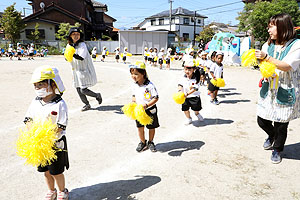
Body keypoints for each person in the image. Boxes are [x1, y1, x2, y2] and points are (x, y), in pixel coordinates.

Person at [254, 13, 300, 164]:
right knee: (261, 120)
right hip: (269, 88)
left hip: (285, 88)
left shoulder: (296, 45)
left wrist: (266, 58)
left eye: (271, 26)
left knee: (281, 124)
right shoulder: (268, 45)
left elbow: (287, 66)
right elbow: (262, 63)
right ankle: (272, 135)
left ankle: (277, 149)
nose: (268, 30)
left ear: (282, 26)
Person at [24, 66, 69, 200]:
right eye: (36, 85)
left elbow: (60, 125)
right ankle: (51, 190)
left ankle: (62, 190)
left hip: (55, 144)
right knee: (46, 171)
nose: (38, 88)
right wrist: (33, 133)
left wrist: (46, 136)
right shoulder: (35, 102)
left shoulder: (60, 104)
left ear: (53, 84)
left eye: (41, 84)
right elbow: (28, 119)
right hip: (39, 145)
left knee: (56, 171)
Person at [67, 27, 102, 111]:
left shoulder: (82, 44)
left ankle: (97, 95)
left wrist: (72, 54)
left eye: (78, 34)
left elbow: (81, 57)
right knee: (78, 88)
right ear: (70, 36)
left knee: (83, 89)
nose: (76, 36)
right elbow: (67, 57)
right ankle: (86, 104)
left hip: (83, 69)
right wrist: (67, 56)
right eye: (74, 34)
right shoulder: (69, 45)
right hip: (75, 69)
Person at [129, 61, 160, 152]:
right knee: (140, 127)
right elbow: (134, 96)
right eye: (132, 74)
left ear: (143, 73)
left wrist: (146, 105)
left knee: (151, 127)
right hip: (139, 110)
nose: (133, 76)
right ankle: (142, 142)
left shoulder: (149, 86)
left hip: (150, 110)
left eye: (136, 74)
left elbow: (156, 97)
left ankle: (150, 142)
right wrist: (133, 103)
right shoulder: (134, 85)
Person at [178, 59, 204, 125]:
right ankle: (189, 118)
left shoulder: (196, 78)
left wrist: (187, 94)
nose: (187, 71)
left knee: (196, 109)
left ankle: (197, 114)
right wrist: (180, 91)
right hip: (185, 97)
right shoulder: (182, 77)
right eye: (186, 69)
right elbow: (180, 85)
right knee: (185, 109)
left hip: (194, 97)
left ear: (193, 70)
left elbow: (195, 89)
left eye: (189, 70)